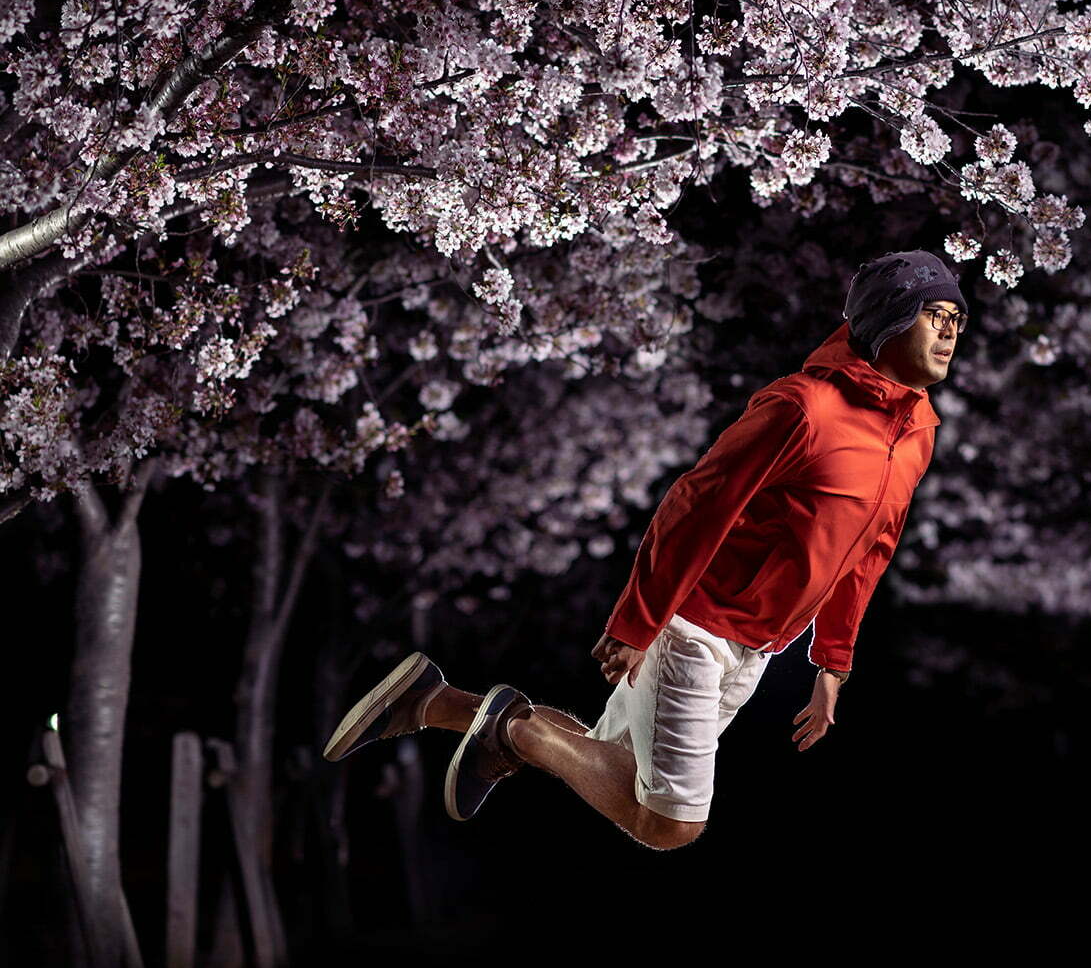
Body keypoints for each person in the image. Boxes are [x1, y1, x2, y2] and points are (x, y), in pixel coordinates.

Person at [322, 249, 967, 849]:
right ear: (890, 320)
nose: (949, 331)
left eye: (956, 319)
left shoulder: (916, 436)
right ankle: (510, 729)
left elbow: (869, 550)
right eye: (934, 315)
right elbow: (695, 505)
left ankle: (437, 702)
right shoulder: (805, 408)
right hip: (695, 625)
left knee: (622, 767)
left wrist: (832, 663)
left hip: (761, 644)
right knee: (668, 823)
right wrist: (639, 621)